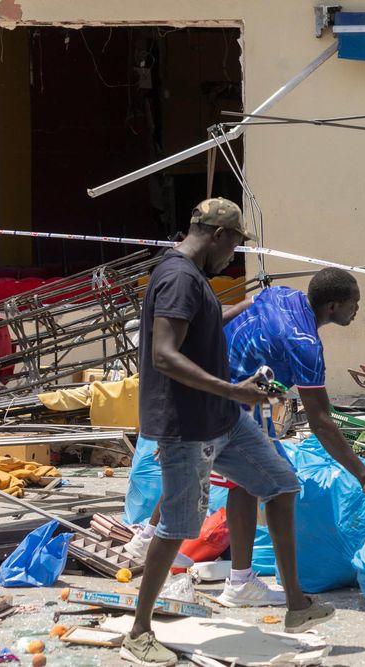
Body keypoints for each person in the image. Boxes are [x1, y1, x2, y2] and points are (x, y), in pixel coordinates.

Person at [122, 199, 331, 667]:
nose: (234, 255)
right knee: (178, 526)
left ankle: (297, 606)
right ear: (218, 235)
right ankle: (139, 632)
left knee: (280, 484)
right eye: (235, 243)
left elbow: (199, 328)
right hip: (188, 423)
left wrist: (239, 309)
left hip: (222, 416)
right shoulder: (178, 278)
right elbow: (163, 354)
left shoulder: (193, 277)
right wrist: (231, 388)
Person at [125, 268, 365, 610]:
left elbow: (238, 307)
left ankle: (234, 579)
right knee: (249, 483)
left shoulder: (283, 295)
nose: (357, 309)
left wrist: (200, 340)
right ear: (332, 306)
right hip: (229, 400)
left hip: (213, 384)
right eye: (353, 303)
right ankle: (165, 573)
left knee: (236, 480)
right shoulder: (306, 346)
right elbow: (322, 422)